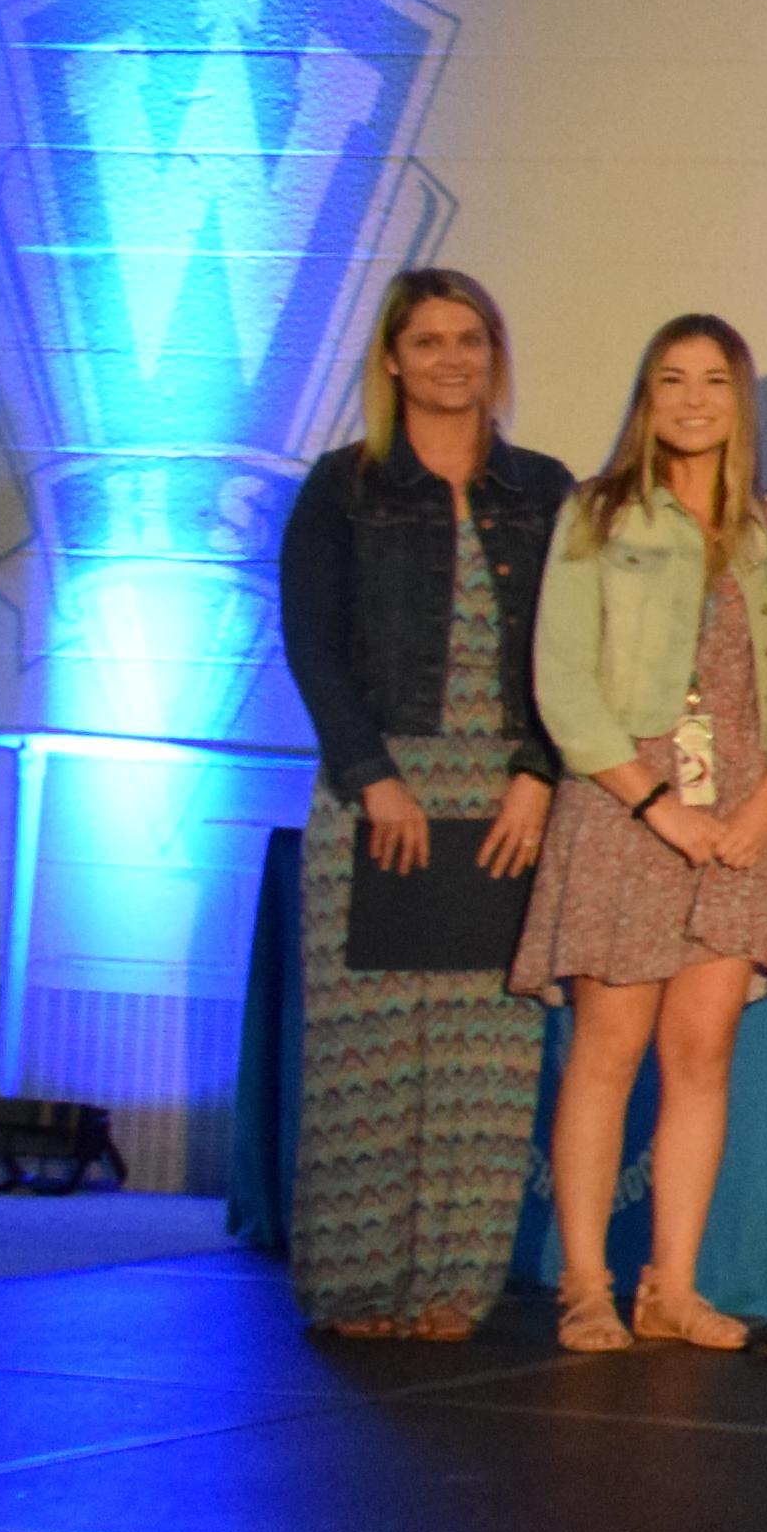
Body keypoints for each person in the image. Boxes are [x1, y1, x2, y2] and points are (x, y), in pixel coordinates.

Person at [270, 268, 568, 1345]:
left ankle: (452, 1287)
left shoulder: (543, 488)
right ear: (393, 359)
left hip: (505, 798)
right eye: (429, 341)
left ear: (494, 355)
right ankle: (359, 1288)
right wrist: (372, 774)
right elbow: (310, 642)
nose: (452, 359)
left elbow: (570, 648)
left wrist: (539, 772)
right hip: (378, 791)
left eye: (470, 339)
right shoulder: (343, 486)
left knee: (486, 1062)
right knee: (371, 1053)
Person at [520, 315, 767, 1353]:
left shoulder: (766, 528)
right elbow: (563, 682)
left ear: (740, 400)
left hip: (739, 821)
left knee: (703, 1055)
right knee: (609, 1050)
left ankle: (672, 1287)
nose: (694, 400)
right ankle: (586, 1285)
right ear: (647, 397)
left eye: (715, 381)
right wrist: (657, 806)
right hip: (626, 811)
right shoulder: (597, 514)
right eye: (672, 380)